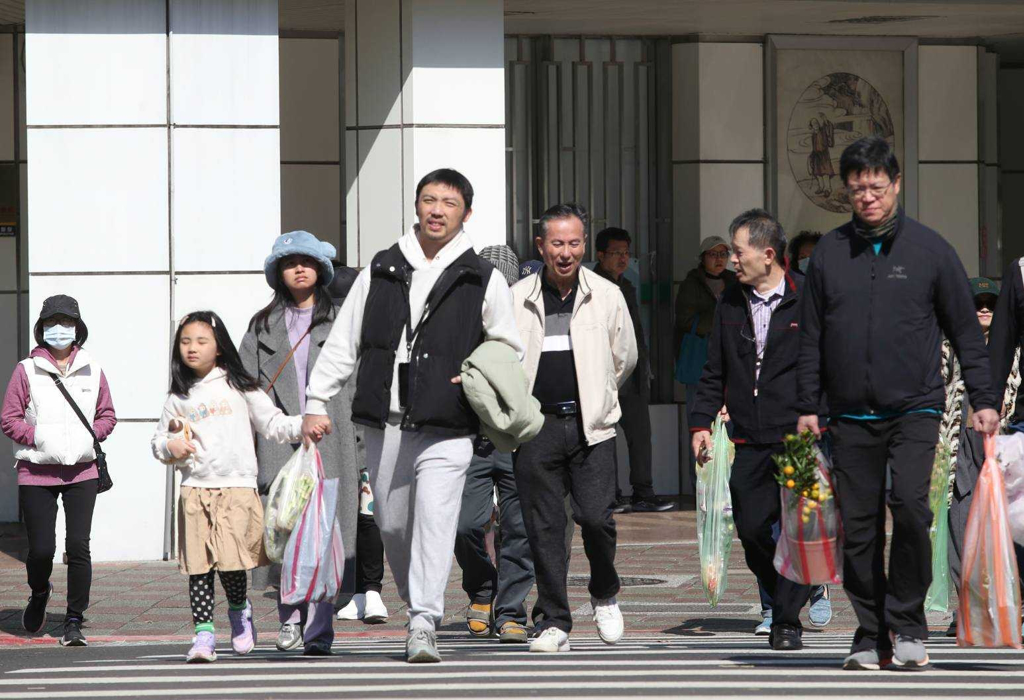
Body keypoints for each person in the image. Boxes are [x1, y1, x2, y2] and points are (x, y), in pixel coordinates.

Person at [300, 168, 523, 663]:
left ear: (466, 212)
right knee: (396, 526)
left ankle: (424, 620)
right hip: (386, 421)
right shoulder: (381, 268)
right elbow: (344, 342)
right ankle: (415, 599)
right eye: (428, 199)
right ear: (417, 206)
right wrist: (317, 400)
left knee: (437, 521)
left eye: (448, 202)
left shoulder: (480, 277)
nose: (437, 210)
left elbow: (508, 347)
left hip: (450, 423)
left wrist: (475, 378)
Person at [797, 136, 999, 670]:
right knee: (859, 527)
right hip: (848, 413)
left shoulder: (931, 251)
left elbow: (965, 331)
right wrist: (808, 404)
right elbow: (811, 336)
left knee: (910, 508)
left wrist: (984, 398)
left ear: (896, 185)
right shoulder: (829, 256)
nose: (868, 197)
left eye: (877, 187)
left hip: (915, 407)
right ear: (846, 191)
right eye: (858, 188)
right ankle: (869, 634)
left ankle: (908, 625)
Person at [510, 202, 638, 653]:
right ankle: (554, 621)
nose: (566, 252)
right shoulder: (516, 297)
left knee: (596, 519)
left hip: (593, 426)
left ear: (585, 244)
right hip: (536, 426)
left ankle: (605, 591)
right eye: (557, 243)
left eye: (575, 243)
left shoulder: (605, 294)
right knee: (544, 527)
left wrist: (599, 395)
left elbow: (624, 358)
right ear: (541, 246)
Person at [689, 209, 817, 651]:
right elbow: (713, 371)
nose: (732, 261)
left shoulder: (809, 298)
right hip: (748, 436)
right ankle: (790, 588)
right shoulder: (729, 302)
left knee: (800, 531)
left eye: (738, 252)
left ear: (767, 254)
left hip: (801, 437)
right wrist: (700, 424)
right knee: (750, 527)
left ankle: (786, 620)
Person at [152, 311, 310, 663]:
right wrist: (170, 447)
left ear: (219, 347)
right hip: (194, 490)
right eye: (185, 342)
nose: (192, 348)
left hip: (237, 489)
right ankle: (204, 636)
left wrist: (305, 425)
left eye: (201, 341)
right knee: (198, 567)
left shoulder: (241, 386)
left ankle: (240, 611)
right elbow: (159, 440)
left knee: (232, 564)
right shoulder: (179, 396)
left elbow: (273, 424)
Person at [240, 231, 361, 655]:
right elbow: (245, 388)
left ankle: (321, 626)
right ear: (278, 272)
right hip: (279, 442)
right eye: (290, 262)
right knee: (285, 531)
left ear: (321, 270)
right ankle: (289, 618)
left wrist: (362, 454)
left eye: (307, 262)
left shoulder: (343, 319)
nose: (299, 268)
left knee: (327, 537)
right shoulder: (261, 325)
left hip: (333, 438)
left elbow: (360, 386)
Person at [1, 296, 116, 647]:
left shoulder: (93, 369)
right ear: (42, 329)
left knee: (79, 546)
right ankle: (39, 592)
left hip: (82, 471)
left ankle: (73, 621)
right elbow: (9, 418)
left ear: (78, 328)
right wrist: (37, 436)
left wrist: (89, 436)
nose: (60, 328)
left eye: (67, 322)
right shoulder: (26, 370)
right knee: (40, 550)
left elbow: (107, 415)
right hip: (37, 472)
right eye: (53, 322)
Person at [454, 244, 535, 644]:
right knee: (465, 523)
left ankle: (510, 608)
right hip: (471, 439)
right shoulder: (462, 318)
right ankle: (482, 591)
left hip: (517, 438)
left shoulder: (526, 320)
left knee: (520, 527)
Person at [942, 277, 1023, 637]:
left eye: (991, 303)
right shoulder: (948, 347)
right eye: (978, 303)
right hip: (959, 448)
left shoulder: (1015, 349)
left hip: (1003, 446)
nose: (985, 309)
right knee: (961, 526)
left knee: (1006, 529)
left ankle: (1005, 608)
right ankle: (966, 610)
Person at [594, 227, 673, 514]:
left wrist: (645, 364)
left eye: (626, 253)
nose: (622, 258)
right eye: (616, 253)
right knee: (606, 436)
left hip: (635, 372)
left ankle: (643, 492)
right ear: (600, 255)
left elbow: (635, 332)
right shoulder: (592, 285)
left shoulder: (627, 284)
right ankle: (610, 494)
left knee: (640, 435)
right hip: (606, 373)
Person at [328, 264, 389, 626]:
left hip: (367, 437)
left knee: (365, 517)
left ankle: (371, 591)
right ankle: (355, 591)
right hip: (337, 440)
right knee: (354, 517)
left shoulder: (372, 334)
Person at [675, 236, 737, 491]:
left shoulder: (735, 281)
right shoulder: (691, 284)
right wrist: (716, 323)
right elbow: (684, 320)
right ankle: (701, 485)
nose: (719, 259)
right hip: (701, 361)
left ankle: (730, 483)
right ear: (703, 258)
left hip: (732, 363)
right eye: (713, 254)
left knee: (732, 425)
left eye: (723, 254)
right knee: (700, 423)